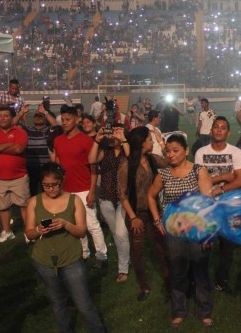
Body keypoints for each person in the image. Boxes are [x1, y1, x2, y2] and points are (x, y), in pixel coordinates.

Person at [24, 163, 105, 333]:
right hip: (44, 260)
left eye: (55, 184)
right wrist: (39, 230)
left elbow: (82, 231)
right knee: (58, 303)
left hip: (70, 260)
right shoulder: (34, 202)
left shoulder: (74, 200)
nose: (52, 189)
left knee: (83, 303)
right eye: (47, 186)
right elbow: (29, 233)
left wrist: (66, 224)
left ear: (62, 181)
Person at [147, 134, 214, 328]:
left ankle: (204, 311)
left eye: (175, 150)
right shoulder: (163, 174)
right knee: (177, 271)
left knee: (200, 270)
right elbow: (151, 196)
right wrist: (157, 219)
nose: (171, 154)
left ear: (186, 150)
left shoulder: (198, 171)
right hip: (174, 231)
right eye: (168, 151)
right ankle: (179, 310)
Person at [195, 116, 241, 292]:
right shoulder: (201, 152)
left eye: (223, 128)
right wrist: (223, 177)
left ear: (228, 132)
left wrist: (219, 190)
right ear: (211, 130)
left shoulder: (236, 152)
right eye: (216, 127)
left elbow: (240, 180)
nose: (218, 130)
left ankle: (221, 280)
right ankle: (201, 281)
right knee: (205, 245)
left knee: (227, 247)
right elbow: (198, 181)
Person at [117, 127, 169, 301]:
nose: (151, 142)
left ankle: (169, 280)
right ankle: (144, 286)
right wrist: (133, 217)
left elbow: (170, 162)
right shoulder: (126, 165)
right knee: (138, 252)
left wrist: (163, 142)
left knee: (161, 247)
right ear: (141, 143)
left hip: (154, 212)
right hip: (137, 215)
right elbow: (122, 194)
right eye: (149, 139)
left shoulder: (153, 160)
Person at [53, 107, 108, 267]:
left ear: (77, 120)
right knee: (76, 225)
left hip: (84, 189)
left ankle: (101, 255)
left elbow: (93, 168)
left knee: (92, 224)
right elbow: (57, 165)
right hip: (66, 191)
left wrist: (91, 191)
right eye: (62, 120)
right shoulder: (58, 141)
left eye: (68, 119)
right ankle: (83, 253)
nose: (64, 122)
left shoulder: (86, 141)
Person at [89, 124, 131, 282]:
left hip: (123, 198)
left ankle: (123, 268)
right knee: (117, 234)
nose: (115, 133)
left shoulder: (127, 151)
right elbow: (91, 160)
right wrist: (97, 141)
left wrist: (123, 140)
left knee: (120, 233)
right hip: (106, 197)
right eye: (113, 131)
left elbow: (132, 159)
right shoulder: (104, 151)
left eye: (119, 130)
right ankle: (128, 258)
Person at [0, 107, 30, 243]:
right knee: (3, 207)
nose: (3, 118)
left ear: (12, 118)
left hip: (19, 176)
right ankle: (7, 231)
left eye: (6, 116)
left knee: (24, 205)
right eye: (0, 116)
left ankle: (29, 231)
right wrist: (10, 144)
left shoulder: (20, 132)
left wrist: (0, 146)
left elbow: (19, 149)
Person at [13, 104, 58, 196]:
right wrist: (21, 112)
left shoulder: (49, 130)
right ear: (32, 119)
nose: (38, 118)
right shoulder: (27, 130)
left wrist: (44, 112)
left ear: (45, 119)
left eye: (40, 116)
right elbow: (12, 125)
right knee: (31, 193)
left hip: (46, 168)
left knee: (47, 192)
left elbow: (56, 126)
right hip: (30, 167)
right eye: (36, 116)